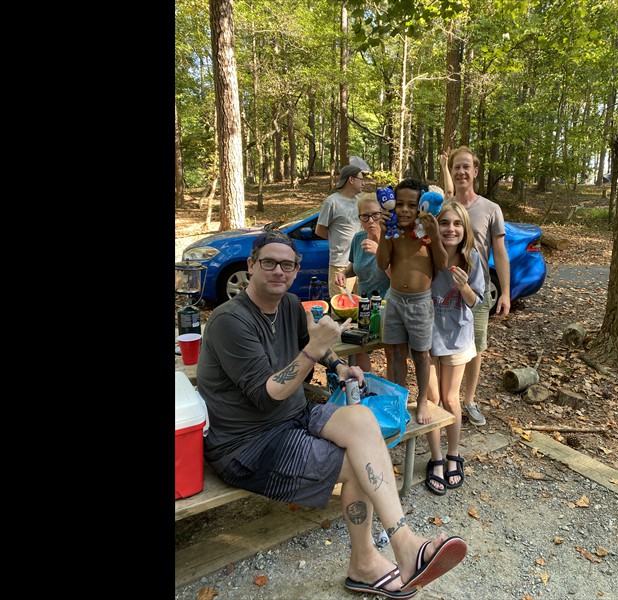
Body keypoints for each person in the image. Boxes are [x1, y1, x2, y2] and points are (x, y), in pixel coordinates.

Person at [196, 230, 467, 598]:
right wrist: (314, 349)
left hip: (294, 416)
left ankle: (397, 547)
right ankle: (373, 560)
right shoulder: (230, 320)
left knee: (362, 422)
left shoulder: (289, 305)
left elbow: (315, 347)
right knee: (359, 463)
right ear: (251, 265)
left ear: (295, 270)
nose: (278, 271)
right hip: (248, 445)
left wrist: (337, 364)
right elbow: (267, 395)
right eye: (269, 263)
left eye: (287, 265)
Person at [438, 146, 512, 426]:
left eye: (466, 166)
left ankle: (468, 400)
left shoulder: (490, 209)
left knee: (475, 346)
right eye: (456, 166)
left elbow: (500, 252)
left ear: (475, 171)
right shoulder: (443, 207)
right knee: (442, 346)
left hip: (475, 291)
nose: (461, 172)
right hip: (442, 290)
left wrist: (505, 291)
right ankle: (446, 400)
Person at [423, 201, 483, 495]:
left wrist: (464, 288)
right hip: (427, 336)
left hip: (458, 335)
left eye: (457, 224)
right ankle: (435, 458)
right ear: (437, 225)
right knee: (432, 398)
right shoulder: (428, 254)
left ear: (465, 229)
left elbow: (477, 301)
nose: (450, 229)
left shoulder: (471, 258)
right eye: (444, 222)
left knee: (450, 398)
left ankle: (453, 455)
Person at [376, 178, 448, 425]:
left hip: (420, 303)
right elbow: (382, 263)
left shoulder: (424, 235)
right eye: (400, 204)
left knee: (420, 354)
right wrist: (384, 235)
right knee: (396, 353)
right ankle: (399, 400)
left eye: (412, 205)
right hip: (395, 299)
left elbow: (442, 264)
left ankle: (422, 400)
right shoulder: (394, 233)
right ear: (393, 205)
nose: (405, 210)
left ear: (422, 206)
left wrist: (435, 235)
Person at [334, 192, 394, 379]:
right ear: (359, 219)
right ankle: (366, 385)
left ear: (383, 215)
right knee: (359, 348)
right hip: (363, 306)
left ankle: (392, 391)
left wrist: (379, 253)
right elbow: (355, 266)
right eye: (365, 216)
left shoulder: (393, 240)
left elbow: (399, 279)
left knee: (391, 352)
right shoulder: (358, 239)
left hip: (387, 308)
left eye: (375, 215)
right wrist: (344, 273)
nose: (370, 220)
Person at [315, 164, 365, 297]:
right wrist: (337, 240)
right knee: (342, 306)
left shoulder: (360, 202)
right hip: (340, 264)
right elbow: (319, 230)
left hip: (360, 262)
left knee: (363, 305)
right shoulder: (332, 202)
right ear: (351, 179)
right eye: (361, 179)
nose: (363, 183)